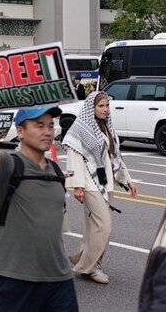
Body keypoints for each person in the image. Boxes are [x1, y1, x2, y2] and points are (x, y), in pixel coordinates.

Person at [0, 95, 78, 312]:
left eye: (51, 125)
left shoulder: (55, 170)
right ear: (20, 131)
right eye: (39, 125)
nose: (48, 131)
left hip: (59, 275)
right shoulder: (10, 164)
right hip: (16, 277)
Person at [63, 91, 137, 284]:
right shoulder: (79, 129)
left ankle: (84, 259)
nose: (105, 109)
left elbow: (114, 158)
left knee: (94, 227)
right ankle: (90, 267)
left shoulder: (106, 128)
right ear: (91, 107)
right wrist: (78, 186)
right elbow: (74, 158)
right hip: (88, 183)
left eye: (107, 105)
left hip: (104, 181)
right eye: (101, 106)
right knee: (104, 226)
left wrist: (128, 180)